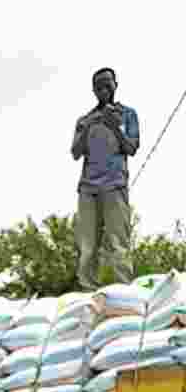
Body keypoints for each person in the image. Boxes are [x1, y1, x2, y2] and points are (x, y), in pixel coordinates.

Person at [72, 69, 139, 290]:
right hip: (88, 189)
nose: (103, 89)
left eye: (107, 84)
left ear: (115, 85)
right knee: (87, 248)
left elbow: (131, 148)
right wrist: (91, 124)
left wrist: (114, 127)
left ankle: (125, 295)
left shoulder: (128, 114)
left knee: (118, 245)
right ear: (93, 90)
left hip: (115, 186)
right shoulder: (84, 120)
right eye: (99, 85)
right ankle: (87, 294)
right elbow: (75, 152)